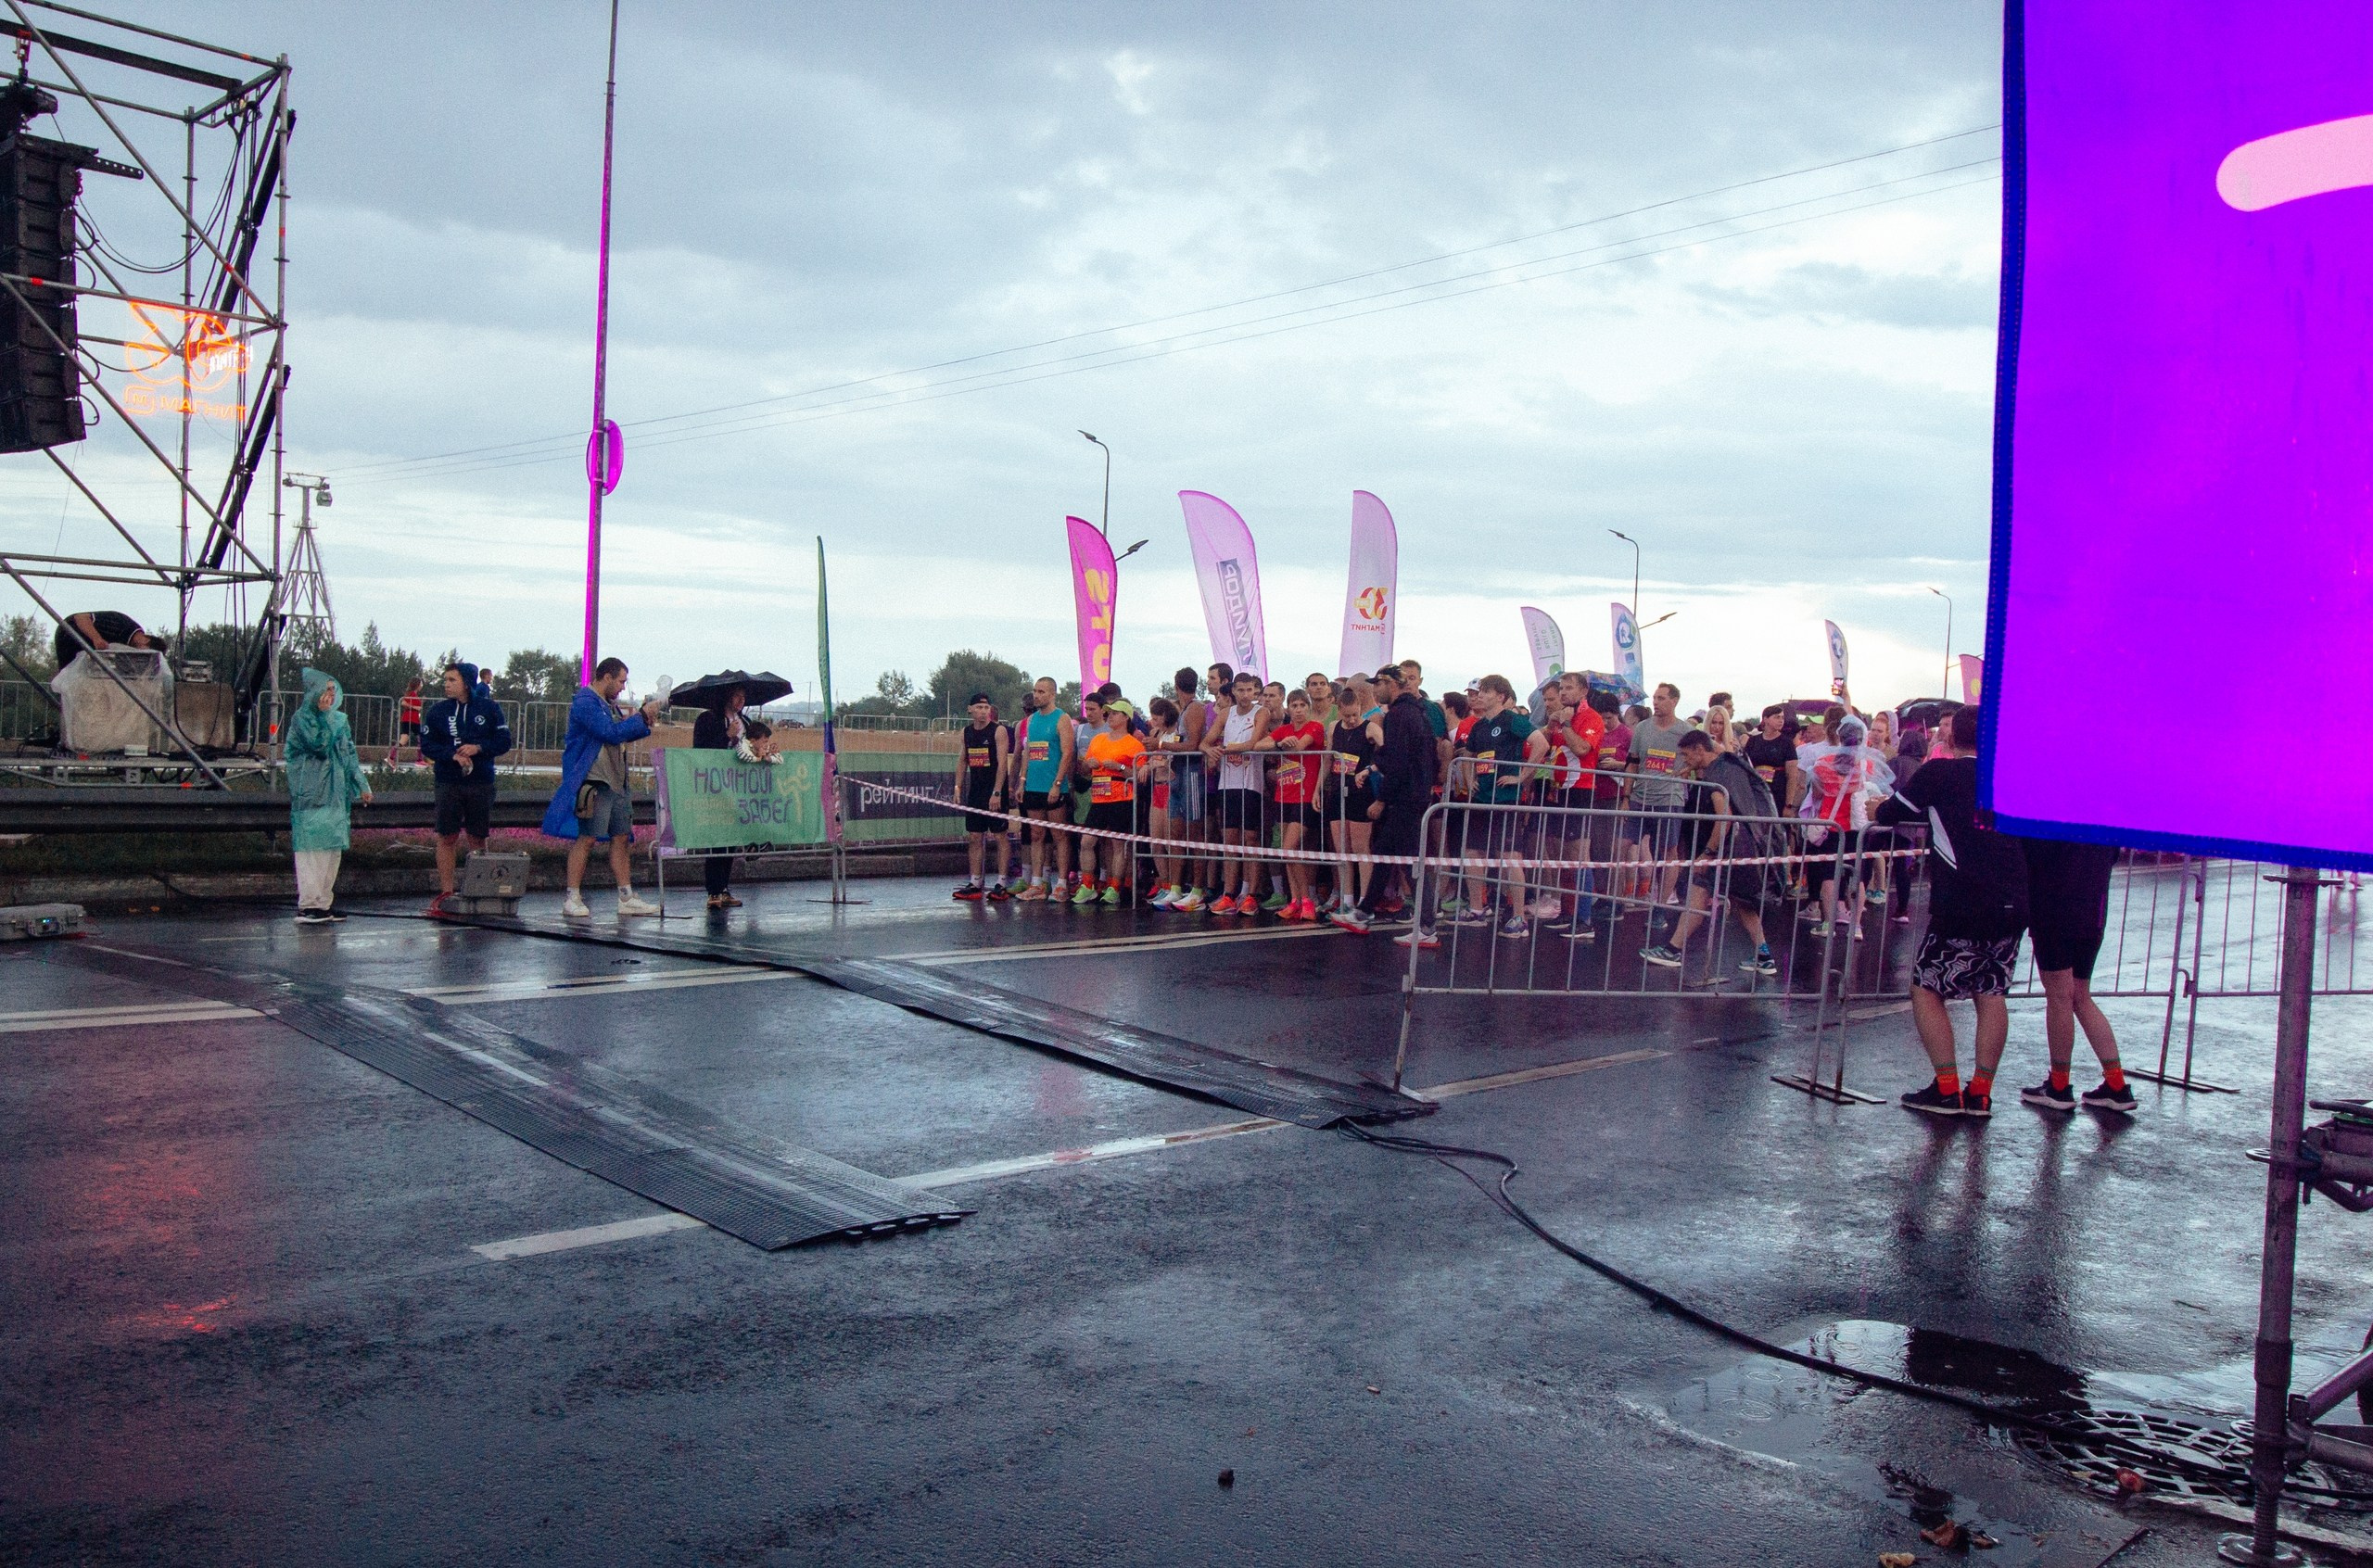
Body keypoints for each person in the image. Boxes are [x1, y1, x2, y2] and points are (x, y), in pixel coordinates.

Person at [1874, 706, 2031, 1119]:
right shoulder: (2011, 774)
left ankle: (1946, 1088)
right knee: (1992, 992)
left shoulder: (1940, 773)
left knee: (1927, 987)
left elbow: (1890, 813)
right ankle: (1980, 1092)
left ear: (1952, 739)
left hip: (1964, 898)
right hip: (2013, 898)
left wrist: (1876, 804)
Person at [1641, 729, 1779, 975]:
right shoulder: (1726, 766)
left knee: (1698, 895)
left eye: (1686, 754)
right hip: (1743, 847)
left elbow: (1724, 817)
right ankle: (1764, 955)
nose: (1684, 760)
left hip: (1725, 849)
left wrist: (1708, 852)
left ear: (1699, 749)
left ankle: (1673, 950)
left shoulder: (1718, 776)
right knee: (1741, 902)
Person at [2017, 837, 2138, 1113]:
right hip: (2093, 912)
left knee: (2060, 997)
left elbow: (2032, 854)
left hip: (2055, 909)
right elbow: (2113, 854)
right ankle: (2116, 1085)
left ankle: (2059, 1087)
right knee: (2081, 997)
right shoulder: (2101, 816)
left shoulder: (2051, 812)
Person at [541, 655, 663, 918]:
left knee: (621, 837)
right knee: (587, 838)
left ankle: (626, 896)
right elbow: (610, 732)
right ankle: (572, 896)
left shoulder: (607, 704)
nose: (622, 687)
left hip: (616, 780)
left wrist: (643, 723)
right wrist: (641, 716)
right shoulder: (586, 702)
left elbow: (620, 731)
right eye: (620, 681)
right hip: (595, 780)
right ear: (606, 677)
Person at [1333, 665, 1437, 933]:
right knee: (1386, 855)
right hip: (1413, 796)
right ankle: (1365, 912)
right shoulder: (1415, 713)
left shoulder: (1399, 715)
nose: (1374, 691)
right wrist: (1372, 769)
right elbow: (1400, 755)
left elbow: (1400, 762)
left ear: (1391, 683)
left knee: (1409, 861)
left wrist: (1382, 800)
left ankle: (1425, 926)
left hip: (1406, 799)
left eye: (1376, 684)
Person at [1451, 674, 1545, 941]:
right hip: (1483, 800)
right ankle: (1477, 909)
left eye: (1486, 691)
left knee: (1510, 856)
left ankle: (1519, 916)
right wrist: (1470, 781)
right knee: (1472, 852)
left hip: (1506, 800)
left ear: (1501, 696)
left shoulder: (1513, 720)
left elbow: (1541, 744)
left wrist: (1523, 776)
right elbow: (1468, 756)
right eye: (1479, 691)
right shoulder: (1479, 726)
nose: (1479, 695)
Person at [420, 661, 513, 915]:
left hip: (480, 781)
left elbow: (504, 741)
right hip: (448, 781)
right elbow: (427, 745)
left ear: (466, 683)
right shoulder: (438, 711)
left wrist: (478, 748)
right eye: (446, 680)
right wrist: (452, 754)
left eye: (452, 680)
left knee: (477, 837)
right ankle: (446, 891)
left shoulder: (489, 708)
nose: (446, 684)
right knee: (446, 836)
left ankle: (480, 891)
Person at [285, 667, 372, 924]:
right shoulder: (302, 719)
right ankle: (308, 904)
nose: (330, 696)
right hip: (311, 794)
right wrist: (325, 717)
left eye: (333, 690)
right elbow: (319, 745)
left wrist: (362, 785)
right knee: (312, 851)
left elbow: (349, 756)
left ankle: (323, 903)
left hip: (335, 795)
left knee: (331, 851)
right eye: (326, 690)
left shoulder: (338, 720)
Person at [693, 682, 782, 910]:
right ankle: (713, 890)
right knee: (716, 839)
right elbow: (700, 752)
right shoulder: (708, 720)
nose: (741, 700)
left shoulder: (747, 723)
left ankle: (723, 888)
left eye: (743, 696)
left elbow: (753, 749)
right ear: (726, 697)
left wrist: (765, 752)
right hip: (716, 787)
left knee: (731, 839)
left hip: (740, 789)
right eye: (736, 696)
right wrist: (726, 736)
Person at [1204, 670, 1273, 915]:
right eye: (1241, 690)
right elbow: (1205, 741)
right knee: (1229, 839)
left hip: (1250, 784)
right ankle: (1229, 894)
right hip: (1228, 784)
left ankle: (1252, 894)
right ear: (1233, 691)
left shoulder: (1260, 712)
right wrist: (1209, 750)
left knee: (1251, 839)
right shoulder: (1226, 713)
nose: (1246, 695)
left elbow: (1253, 743)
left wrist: (1225, 748)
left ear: (1255, 691)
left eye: (1250, 690)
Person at [1626, 682, 1693, 911]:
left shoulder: (1685, 731)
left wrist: (1682, 772)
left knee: (1667, 851)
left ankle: (1661, 905)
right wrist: (1626, 796)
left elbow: (1705, 755)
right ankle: (1615, 902)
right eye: (1654, 698)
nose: (1655, 702)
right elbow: (1632, 763)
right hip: (1640, 797)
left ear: (1674, 701)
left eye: (1661, 698)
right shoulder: (1643, 728)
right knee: (1621, 845)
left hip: (1669, 800)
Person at [1262, 688, 1326, 920]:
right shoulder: (1285, 730)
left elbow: (1301, 745)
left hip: (1305, 796)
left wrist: (1286, 742)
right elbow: (1260, 745)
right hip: (1283, 796)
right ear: (1289, 708)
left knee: (1290, 849)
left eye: (1302, 706)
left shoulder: (1315, 727)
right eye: (1295, 706)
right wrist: (1279, 744)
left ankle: (1307, 900)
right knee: (1286, 853)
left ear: (1308, 708)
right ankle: (1296, 900)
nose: (1298, 710)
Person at [1078, 699, 1147, 905]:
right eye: (1108, 713)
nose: (1110, 717)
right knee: (1087, 841)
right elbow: (1083, 770)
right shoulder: (1098, 740)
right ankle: (1087, 885)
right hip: (1098, 797)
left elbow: (1140, 775)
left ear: (1126, 717)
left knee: (1118, 845)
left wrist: (1120, 768)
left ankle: (1115, 888)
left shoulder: (1134, 744)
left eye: (1115, 713)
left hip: (1121, 797)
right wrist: (1087, 765)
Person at [1015, 677, 1077, 901]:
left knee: (1059, 835)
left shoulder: (1062, 719)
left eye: (1041, 691)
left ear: (1052, 694)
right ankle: (1038, 883)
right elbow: (1028, 752)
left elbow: (1068, 753)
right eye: (1035, 691)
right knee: (1036, 834)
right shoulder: (1031, 721)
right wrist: (1022, 780)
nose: (1036, 695)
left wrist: (1058, 784)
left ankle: (1061, 884)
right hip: (1033, 786)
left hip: (1054, 787)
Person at [952, 692, 1013, 903]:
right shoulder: (967, 732)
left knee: (1000, 835)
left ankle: (1002, 883)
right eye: (978, 708)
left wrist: (997, 791)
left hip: (995, 789)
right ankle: (975, 881)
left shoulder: (998, 731)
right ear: (970, 710)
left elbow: (1002, 763)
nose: (983, 712)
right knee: (975, 837)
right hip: (976, 790)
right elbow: (963, 760)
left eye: (986, 708)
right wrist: (958, 786)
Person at [1327, 679, 1379, 913]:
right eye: (1347, 715)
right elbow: (1327, 759)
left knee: (1360, 847)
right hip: (1338, 790)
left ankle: (1363, 901)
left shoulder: (1370, 727)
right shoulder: (1334, 728)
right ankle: (1346, 899)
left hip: (1361, 791)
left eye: (1355, 715)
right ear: (1339, 710)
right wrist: (1320, 788)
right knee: (1342, 848)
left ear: (1361, 708)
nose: (1351, 720)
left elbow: (1387, 754)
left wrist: (1370, 770)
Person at [51, 610, 164, 670]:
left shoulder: (127, 645)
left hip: (87, 652)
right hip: (70, 634)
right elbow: (80, 618)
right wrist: (96, 638)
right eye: (144, 653)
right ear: (145, 641)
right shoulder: (121, 624)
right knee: (70, 679)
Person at [391, 675, 424, 766]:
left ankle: (391, 757)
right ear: (417, 684)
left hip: (409, 719)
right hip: (411, 720)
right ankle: (419, 759)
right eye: (421, 683)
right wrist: (415, 707)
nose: (422, 685)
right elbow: (403, 703)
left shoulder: (413, 694)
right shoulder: (412, 694)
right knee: (421, 738)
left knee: (404, 740)